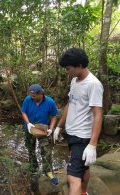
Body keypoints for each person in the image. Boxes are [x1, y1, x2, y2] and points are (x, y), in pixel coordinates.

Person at [53, 48, 103, 195]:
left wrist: (92, 145)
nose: (67, 72)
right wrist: (59, 126)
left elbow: (98, 114)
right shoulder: (75, 81)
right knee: (84, 168)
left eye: (68, 68)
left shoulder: (93, 84)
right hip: (72, 134)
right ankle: (83, 192)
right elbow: (70, 103)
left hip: (83, 136)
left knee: (73, 177)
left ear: (79, 65)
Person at [21, 84, 59, 192]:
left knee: (46, 151)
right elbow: (23, 112)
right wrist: (28, 123)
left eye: (34, 96)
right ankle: (34, 168)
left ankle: (48, 172)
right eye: (31, 95)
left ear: (40, 94)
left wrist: (51, 129)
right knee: (31, 149)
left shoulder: (50, 102)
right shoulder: (28, 99)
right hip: (30, 128)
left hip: (43, 130)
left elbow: (54, 116)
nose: (31, 98)